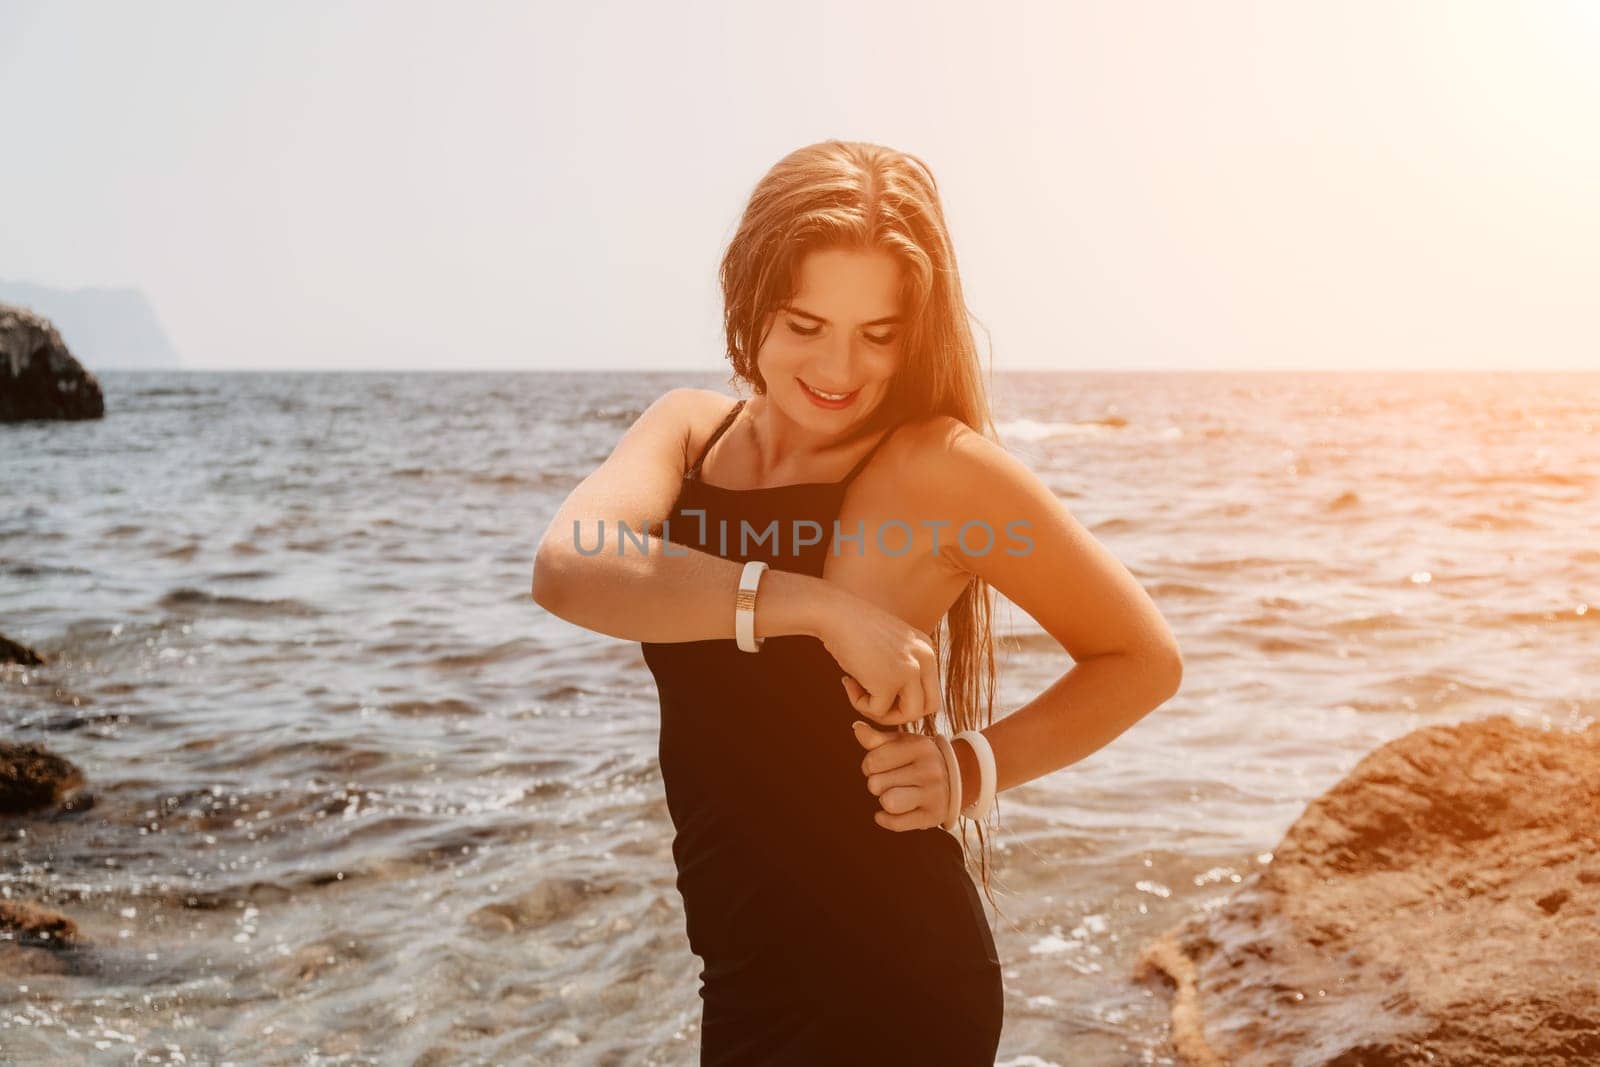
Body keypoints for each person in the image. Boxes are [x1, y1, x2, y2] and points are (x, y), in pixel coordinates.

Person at [532, 140, 1184, 1065]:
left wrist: (970, 770)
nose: (840, 366)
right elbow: (568, 565)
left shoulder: (937, 469)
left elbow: (1142, 657)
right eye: (805, 323)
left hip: (892, 975)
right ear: (749, 299)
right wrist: (817, 607)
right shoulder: (687, 430)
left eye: (878, 333)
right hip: (741, 965)